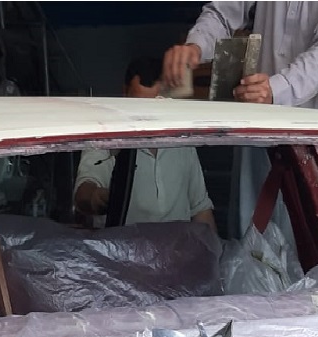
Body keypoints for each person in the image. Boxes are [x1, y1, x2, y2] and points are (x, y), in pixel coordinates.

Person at [163, 2, 318, 237]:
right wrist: (196, 45)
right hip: (262, 137)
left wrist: (276, 89)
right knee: (252, 247)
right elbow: (223, 11)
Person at [74, 57, 215, 227]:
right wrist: (96, 198)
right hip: (121, 243)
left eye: (154, 107)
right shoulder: (105, 138)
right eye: (138, 105)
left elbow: (200, 208)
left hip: (176, 244)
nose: (146, 116)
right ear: (125, 93)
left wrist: (213, 243)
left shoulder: (182, 141)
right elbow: (84, 192)